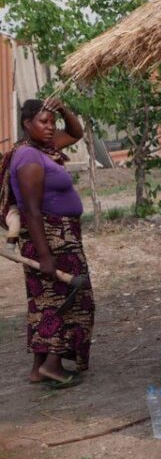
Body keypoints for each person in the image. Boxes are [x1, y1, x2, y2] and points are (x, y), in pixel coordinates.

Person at [0, 98, 92, 389]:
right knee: (71, 299)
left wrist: (64, 108)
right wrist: (45, 254)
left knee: (44, 301)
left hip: (59, 236)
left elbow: (76, 133)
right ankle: (53, 365)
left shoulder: (44, 150)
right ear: (27, 124)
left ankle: (38, 369)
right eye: (44, 122)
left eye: (52, 122)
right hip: (52, 238)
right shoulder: (28, 158)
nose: (51, 127)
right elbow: (31, 211)